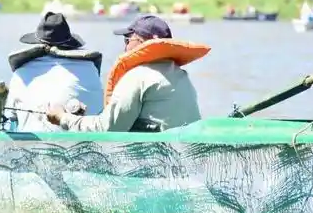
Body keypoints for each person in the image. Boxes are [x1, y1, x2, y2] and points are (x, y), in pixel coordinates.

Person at [45, 15, 210, 132]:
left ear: (143, 43)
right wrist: (83, 118)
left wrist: (63, 118)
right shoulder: (181, 76)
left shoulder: (137, 77)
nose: (124, 48)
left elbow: (105, 129)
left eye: (128, 40)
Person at [7, 12, 104, 132]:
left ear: (38, 44)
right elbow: (100, 110)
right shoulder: (90, 69)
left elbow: (10, 117)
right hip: (82, 143)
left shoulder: (20, 73)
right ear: (69, 44)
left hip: (31, 146)